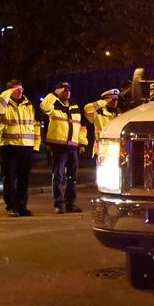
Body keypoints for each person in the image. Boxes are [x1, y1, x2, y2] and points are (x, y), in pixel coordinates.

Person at [0, 79, 40, 216]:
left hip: (26, 147)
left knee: (24, 180)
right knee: (9, 179)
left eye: (21, 89)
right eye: (16, 89)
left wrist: (36, 145)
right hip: (9, 147)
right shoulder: (4, 104)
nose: (20, 92)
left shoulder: (28, 105)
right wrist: (7, 93)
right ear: (9, 91)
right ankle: (11, 206)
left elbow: (35, 125)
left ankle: (22, 206)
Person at [41, 81, 86, 212]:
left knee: (72, 177)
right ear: (58, 92)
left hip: (73, 146)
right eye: (64, 90)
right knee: (59, 176)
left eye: (69, 90)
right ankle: (59, 204)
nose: (67, 92)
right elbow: (44, 107)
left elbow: (80, 127)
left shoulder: (74, 106)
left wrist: (82, 143)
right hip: (58, 147)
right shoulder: (53, 105)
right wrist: (54, 95)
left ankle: (70, 204)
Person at [84, 88, 121, 156]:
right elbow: (87, 109)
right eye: (113, 99)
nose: (115, 102)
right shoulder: (98, 113)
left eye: (116, 99)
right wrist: (103, 102)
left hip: (117, 150)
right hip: (101, 150)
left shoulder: (120, 114)